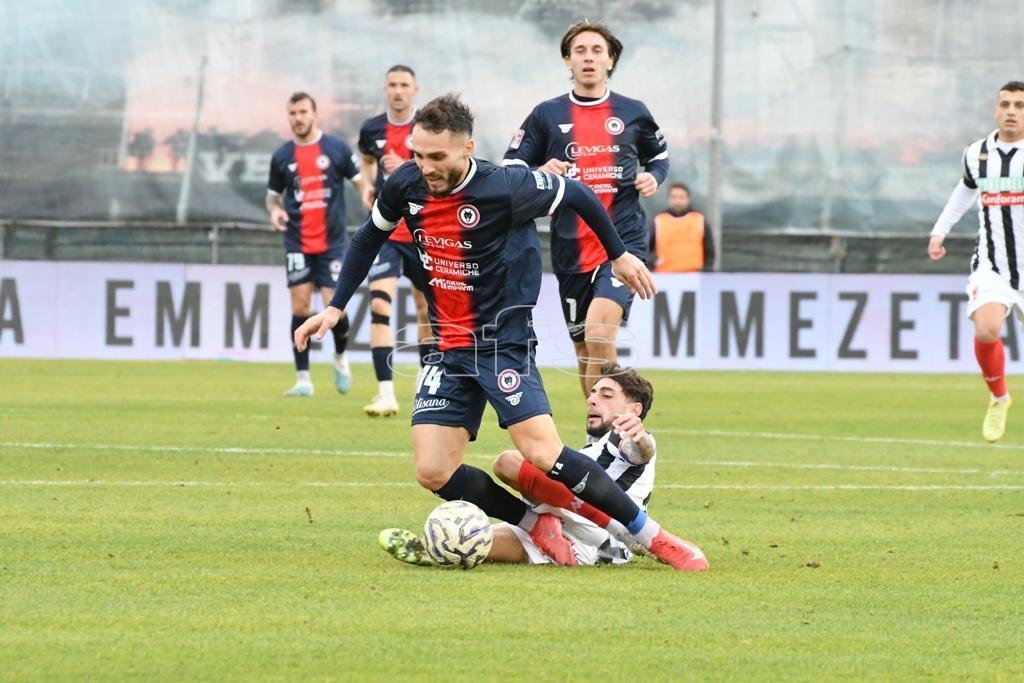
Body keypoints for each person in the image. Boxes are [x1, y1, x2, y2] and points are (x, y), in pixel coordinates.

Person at [295, 94, 706, 571]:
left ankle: (653, 537)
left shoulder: (506, 186)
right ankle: (535, 525)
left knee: (543, 453)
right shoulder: (406, 183)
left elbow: (578, 193)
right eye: (418, 154)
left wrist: (617, 254)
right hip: (447, 346)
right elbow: (370, 235)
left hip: (501, 343)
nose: (425, 167)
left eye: (437, 156)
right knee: (433, 471)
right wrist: (335, 307)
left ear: (467, 148)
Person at [379, 364, 699, 568]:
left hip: (600, 532)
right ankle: (436, 551)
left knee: (508, 463)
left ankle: (622, 533)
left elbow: (641, 451)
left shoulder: (627, 438)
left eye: (606, 395)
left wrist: (640, 437)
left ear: (634, 409)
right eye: (592, 393)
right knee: (475, 541)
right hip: (578, 539)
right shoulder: (592, 446)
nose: (592, 399)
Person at [503, 20, 669, 398]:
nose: (589, 58)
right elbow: (511, 166)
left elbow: (658, 156)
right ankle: (596, 425)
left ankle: (615, 425)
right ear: (568, 60)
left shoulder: (632, 111)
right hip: (570, 247)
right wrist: (539, 171)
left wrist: (654, 177)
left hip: (622, 244)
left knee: (598, 334)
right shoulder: (546, 114)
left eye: (597, 51)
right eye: (580, 51)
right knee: (582, 350)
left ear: (610, 61)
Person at [929, 81, 1024, 443]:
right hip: (993, 263)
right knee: (986, 329)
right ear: (996, 110)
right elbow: (966, 188)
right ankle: (999, 397)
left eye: (1020, 105)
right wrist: (940, 230)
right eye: (1006, 104)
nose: (1012, 111)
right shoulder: (976, 154)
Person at [266, 92, 364, 396]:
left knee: (336, 307)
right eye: (293, 113)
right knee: (300, 306)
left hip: (332, 244)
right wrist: (275, 211)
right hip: (297, 242)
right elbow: (272, 197)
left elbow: (360, 181)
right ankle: (303, 379)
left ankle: (340, 356)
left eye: (303, 112)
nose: (298, 118)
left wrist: (369, 197)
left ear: (315, 114)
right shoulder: (282, 156)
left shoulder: (336, 148)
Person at [357, 65, 432, 417]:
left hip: (421, 232)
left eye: (404, 85)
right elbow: (366, 160)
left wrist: (406, 165)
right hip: (386, 231)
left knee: (425, 310)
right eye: (393, 85)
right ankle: (385, 393)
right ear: (385, 89)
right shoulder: (372, 128)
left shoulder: (428, 128)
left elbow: (441, 173)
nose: (398, 90)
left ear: (415, 89)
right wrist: (367, 185)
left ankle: (425, 386)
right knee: (379, 305)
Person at [650, 182, 714, 272]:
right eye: (674, 197)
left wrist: (707, 271)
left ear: (688, 199)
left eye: (681, 197)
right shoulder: (658, 220)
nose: (677, 201)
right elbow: (647, 249)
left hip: (695, 275)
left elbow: (709, 250)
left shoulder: (699, 219)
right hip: (665, 275)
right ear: (669, 199)